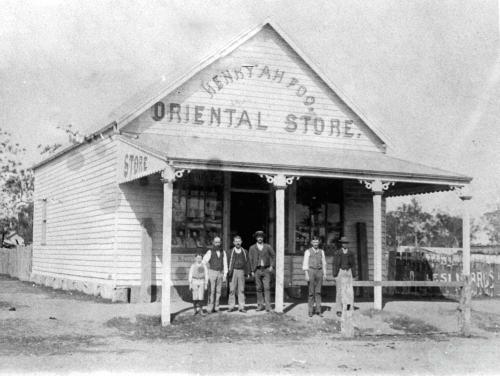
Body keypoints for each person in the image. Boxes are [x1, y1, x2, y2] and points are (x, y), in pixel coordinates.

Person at [249, 230, 275, 312]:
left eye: (261, 237)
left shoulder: (268, 246)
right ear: (256, 238)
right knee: (258, 288)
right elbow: (250, 259)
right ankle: (260, 306)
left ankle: (268, 306)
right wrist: (252, 270)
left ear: (263, 238)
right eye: (258, 237)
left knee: (267, 288)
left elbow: (273, 256)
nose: (260, 238)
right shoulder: (252, 248)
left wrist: (271, 266)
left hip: (266, 269)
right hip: (257, 270)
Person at [302, 236, 327, 317]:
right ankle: (310, 311)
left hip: (319, 272)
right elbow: (305, 263)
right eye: (314, 242)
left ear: (318, 243)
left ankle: (318, 310)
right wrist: (306, 274)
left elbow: (324, 263)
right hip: (311, 272)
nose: (316, 244)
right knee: (311, 292)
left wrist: (325, 273)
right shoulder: (308, 251)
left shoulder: (321, 251)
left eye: (317, 242)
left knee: (318, 292)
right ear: (311, 243)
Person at [202, 236, 228, 313]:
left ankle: (216, 307)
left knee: (218, 291)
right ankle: (210, 307)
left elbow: (225, 264)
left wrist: (225, 275)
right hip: (212, 272)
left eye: (219, 242)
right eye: (216, 242)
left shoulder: (223, 252)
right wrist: (208, 270)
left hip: (220, 272)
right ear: (213, 243)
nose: (217, 244)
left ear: (220, 243)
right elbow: (204, 262)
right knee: (211, 291)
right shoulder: (210, 251)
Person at [333, 236, 357, 317]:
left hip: (349, 272)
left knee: (349, 291)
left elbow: (353, 264)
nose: (345, 244)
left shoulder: (351, 253)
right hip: (340, 271)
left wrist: (354, 275)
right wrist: (335, 275)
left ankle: (348, 308)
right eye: (343, 243)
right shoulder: (337, 253)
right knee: (339, 291)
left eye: (346, 243)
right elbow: (335, 264)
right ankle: (339, 310)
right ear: (341, 244)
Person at [228, 235, 250, 313]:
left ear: (241, 242)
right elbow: (227, 262)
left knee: (241, 289)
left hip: (241, 271)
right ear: (233, 242)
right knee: (232, 289)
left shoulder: (245, 251)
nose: (237, 242)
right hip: (233, 271)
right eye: (236, 241)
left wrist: (248, 272)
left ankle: (241, 307)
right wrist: (227, 272)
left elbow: (247, 263)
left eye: (239, 241)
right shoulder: (230, 251)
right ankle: (231, 306)